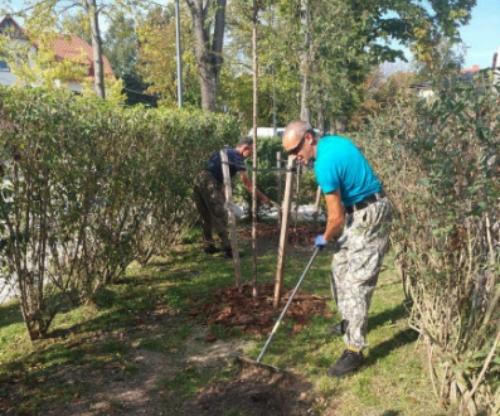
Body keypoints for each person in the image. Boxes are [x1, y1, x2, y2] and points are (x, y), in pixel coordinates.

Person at [282, 120, 393, 377]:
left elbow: (336, 219)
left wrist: (323, 239)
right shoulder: (331, 143)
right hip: (359, 212)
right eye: (289, 153)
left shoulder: (324, 164)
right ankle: (348, 321)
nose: (294, 157)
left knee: (357, 281)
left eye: (295, 150)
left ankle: (354, 350)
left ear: (308, 138)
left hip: (371, 214)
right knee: (339, 267)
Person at [193, 138, 272, 258]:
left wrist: (223, 195)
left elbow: (223, 175)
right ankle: (228, 249)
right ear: (245, 148)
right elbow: (247, 183)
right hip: (209, 181)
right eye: (252, 151)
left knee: (206, 216)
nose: (251, 154)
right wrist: (263, 198)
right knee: (220, 215)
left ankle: (208, 245)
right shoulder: (237, 157)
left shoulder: (227, 151)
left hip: (200, 179)